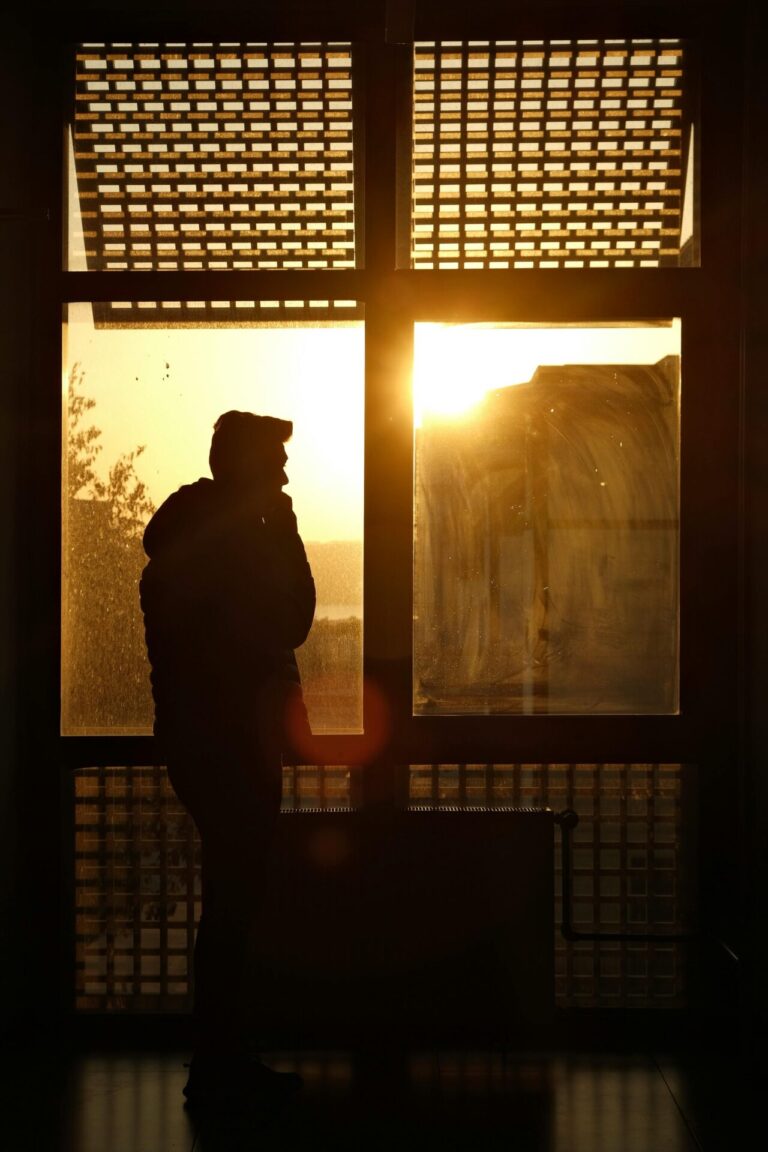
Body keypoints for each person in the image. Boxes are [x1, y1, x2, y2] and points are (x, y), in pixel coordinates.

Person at [140, 410, 315, 1110]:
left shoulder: (190, 540)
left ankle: (218, 1056)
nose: (283, 473)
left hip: (204, 742)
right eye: (272, 461)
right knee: (233, 905)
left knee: (228, 903)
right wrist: (288, 534)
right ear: (241, 466)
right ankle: (220, 1061)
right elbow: (293, 619)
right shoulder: (235, 546)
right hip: (233, 746)